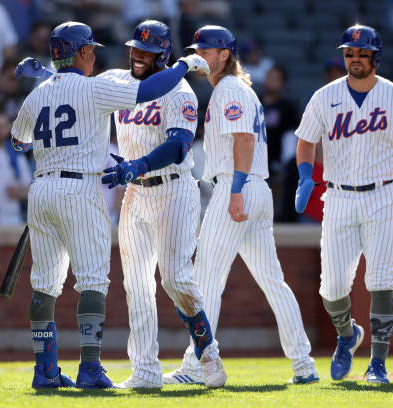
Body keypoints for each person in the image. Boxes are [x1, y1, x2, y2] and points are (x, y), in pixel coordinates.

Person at [10, 21, 210, 389]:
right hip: (82, 188)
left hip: (41, 189)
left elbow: (18, 143)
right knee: (92, 282)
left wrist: (45, 92)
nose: (96, 55)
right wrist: (185, 65)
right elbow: (148, 89)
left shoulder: (36, 95)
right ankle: (90, 369)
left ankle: (45, 371)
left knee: (44, 286)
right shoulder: (96, 87)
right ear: (83, 52)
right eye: (91, 50)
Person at [162, 25, 319, 386]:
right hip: (254, 188)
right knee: (273, 282)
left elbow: (244, 141)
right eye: (197, 49)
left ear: (225, 54)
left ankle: (195, 365)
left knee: (205, 279)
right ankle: (304, 364)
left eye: (207, 50)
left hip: (238, 185)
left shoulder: (229, 89)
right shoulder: (233, 89)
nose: (200, 55)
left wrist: (233, 192)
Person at [294, 25, 393, 384]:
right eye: (349, 53)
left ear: (375, 57)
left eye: (361, 53)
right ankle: (346, 336)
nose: (354, 59)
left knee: (380, 280)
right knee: (332, 288)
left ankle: (378, 363)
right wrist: (305, 176)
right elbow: (306, 141)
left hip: (385, 194)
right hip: (337, 196)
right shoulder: (324, 97)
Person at [99, 20, 227, 389]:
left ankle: (208, 354)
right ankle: (145, 371)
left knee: (175, 278)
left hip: (173, 190)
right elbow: (81, 92)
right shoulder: (118, 81)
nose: (139, 57)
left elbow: (179, 145)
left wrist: (138, 164)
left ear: (164, 55)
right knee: (136, 284)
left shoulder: (180, 91)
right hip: (134, 192)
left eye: (148, 52)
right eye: (135, 49)